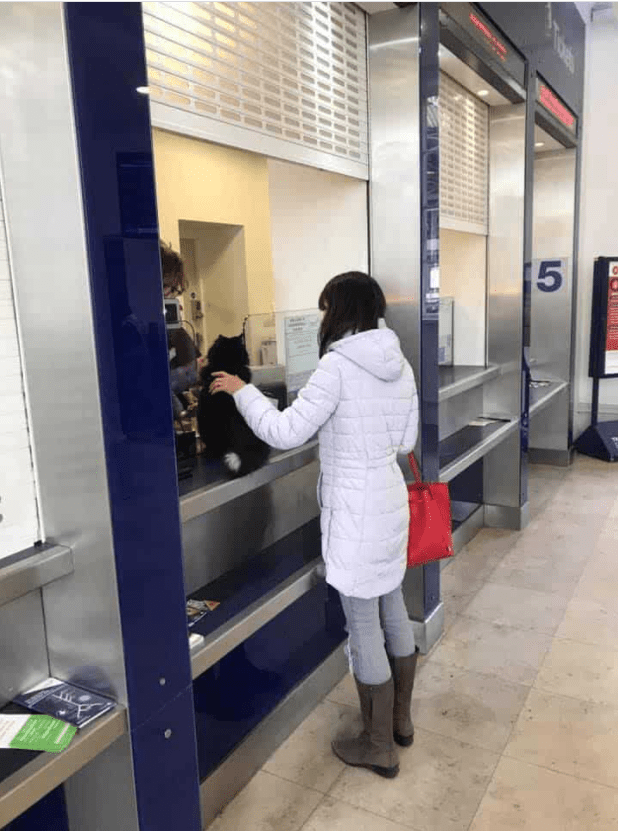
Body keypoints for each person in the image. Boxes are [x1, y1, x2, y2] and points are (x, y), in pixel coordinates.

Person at [209, 271, 419, 780]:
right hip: (390, 503)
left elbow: (285, 431)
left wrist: (242, 391)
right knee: (392, 603)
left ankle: (377, 745)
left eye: (326, 307)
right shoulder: (399, 362)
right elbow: (407, 442)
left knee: (363, 620)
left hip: (354, 511)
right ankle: (400, 722)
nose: (323, 317)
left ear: (340, 310)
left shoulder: (336, 367)